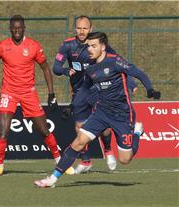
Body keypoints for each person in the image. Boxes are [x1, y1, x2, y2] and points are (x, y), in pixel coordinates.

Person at [35, 32, 161, 188]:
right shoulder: (91, 68)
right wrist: (71, 107)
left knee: (124, 159)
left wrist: (149, 89)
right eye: (88, 46)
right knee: (79, 142)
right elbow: (84, 90)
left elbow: (138, 73)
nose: (89, 49)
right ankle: (52, 179)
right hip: (101, 112)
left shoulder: (115, 62)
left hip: (122, 115)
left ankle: (136, 131)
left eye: (93, 46)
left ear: (102, 47)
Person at [0, 14, 73, 176]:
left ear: (24, 28)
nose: (16, 31)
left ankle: (60, 161)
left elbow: (45, 68)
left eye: (19, 28)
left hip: (29, 93)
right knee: (3, 131)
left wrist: (51, 94)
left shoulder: (34, 46)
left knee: (44, 131)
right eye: (14, 28)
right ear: (10, 29)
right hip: (8, 92)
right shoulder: (2, 46)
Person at [53, 15, 138, 174]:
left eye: (85, 28)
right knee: (79, 127)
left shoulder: (97, 43)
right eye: (79, 28)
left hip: (99, 90)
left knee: (104, 128)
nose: (82, 31)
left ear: (90, 29)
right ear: (75, 29)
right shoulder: (67, 45)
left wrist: (131, 82)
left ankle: (108, 151)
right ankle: (86, 161)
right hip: (80, 91)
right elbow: (56, 68)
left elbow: (119, 62)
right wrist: (65, 70)